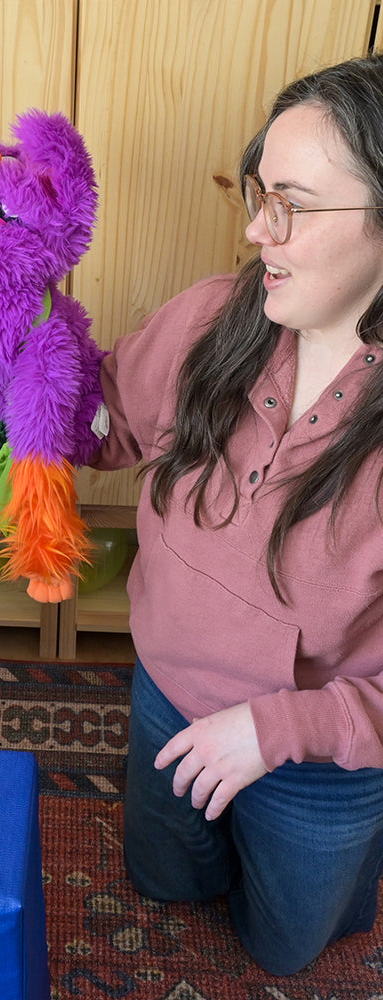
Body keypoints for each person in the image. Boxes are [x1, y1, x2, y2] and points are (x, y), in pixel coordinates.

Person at [90, 53, 383, 975]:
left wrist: (276, 731)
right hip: (163, 692)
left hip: (321, 766)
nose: (257, 229)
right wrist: (19, 373)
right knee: (164, 873)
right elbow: (107, 426)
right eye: (259, 191)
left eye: (291, 203)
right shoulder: (214, 318)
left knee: (285, 942)